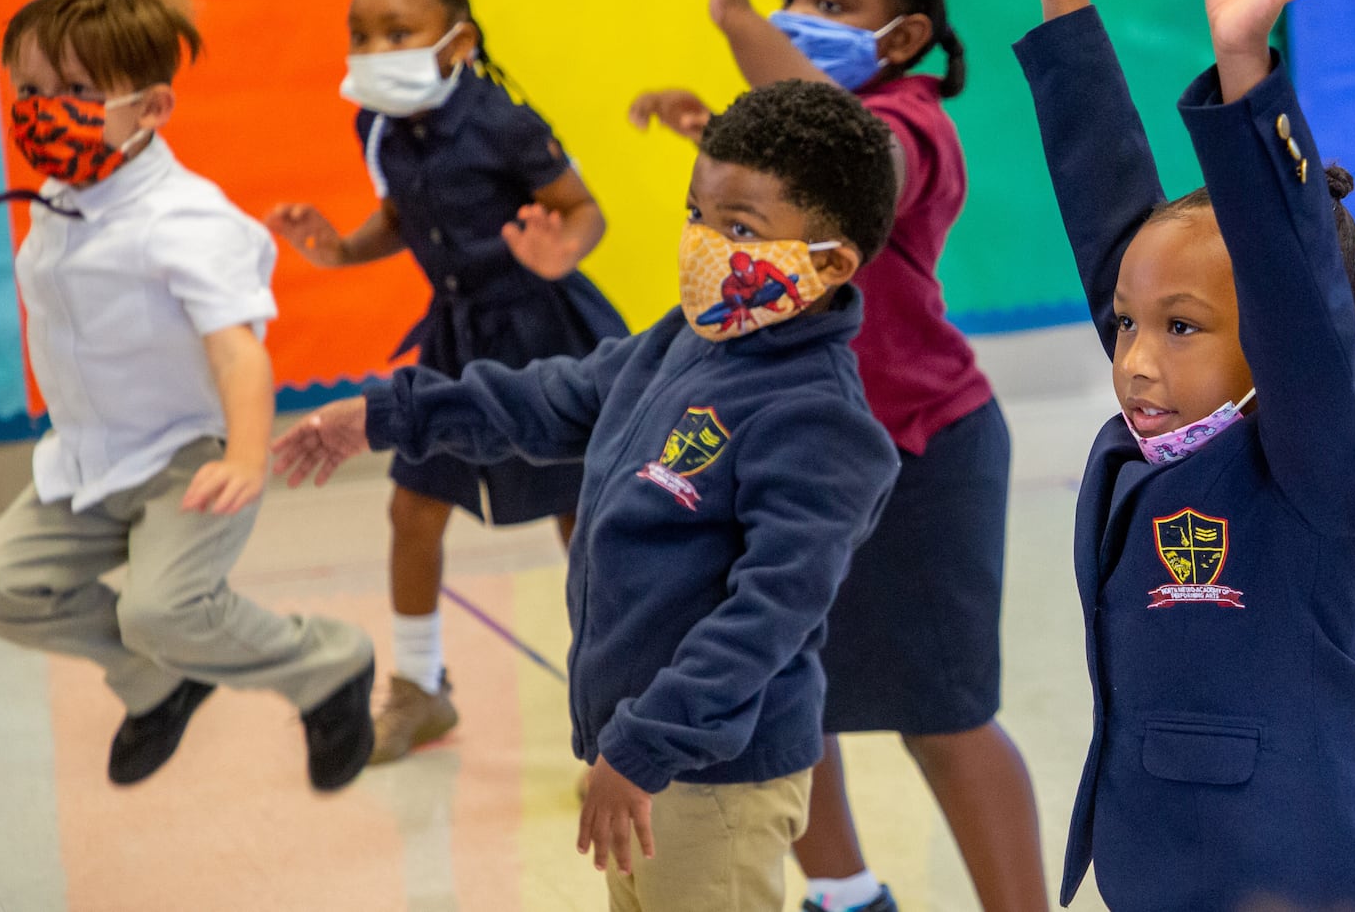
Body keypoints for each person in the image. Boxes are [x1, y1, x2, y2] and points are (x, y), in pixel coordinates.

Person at [272, 79, 902, 912]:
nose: (704, 244)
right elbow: (545, 398)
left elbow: (764, 621)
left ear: (828, 264)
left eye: (739, 228)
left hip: (711, 775)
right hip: (640, 760)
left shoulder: (818, 417)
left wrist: (643, 747)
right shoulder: (687, 339)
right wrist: (391, 413)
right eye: (697, 213)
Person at [1013, 0, 1355, 910]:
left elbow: (1291, 297)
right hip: (1162, 857)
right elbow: (1111, 216)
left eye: (1177, 329)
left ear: (1283, 345)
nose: (1132, 360)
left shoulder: (1320, 459)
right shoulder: (1176, 417)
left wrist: (1247, 67)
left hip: (1292, 867)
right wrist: (1066, 3)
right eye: (1127, 326)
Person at [630, 0, 1045, 912]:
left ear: (901, 36)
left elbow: (845, 155)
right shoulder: (800, 141)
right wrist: (715, 142)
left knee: (944, 713)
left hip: (922, 454)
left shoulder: (911, 128)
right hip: (794, 454)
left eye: (829, 1)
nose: (793, 15)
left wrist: (738, 21)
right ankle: (848, 894)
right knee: (784, 693)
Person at [0, 0, 375, 791]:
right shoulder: (57, 197)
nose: (44, 109)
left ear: (150, 109)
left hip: (189, 456)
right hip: (87, 460)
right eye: (30, 90)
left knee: (162, 609)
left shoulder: (188, 220)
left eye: (76, 90)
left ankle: (327, 663)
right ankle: (160, 680)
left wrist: (247, 460)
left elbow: (238, 352)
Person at [265, 0, 627, 764]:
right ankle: (421, 689)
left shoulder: (502, 118)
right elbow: (402, 213)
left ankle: (618, 713)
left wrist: (560, 249)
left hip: (545, 335)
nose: (373, 47)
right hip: (454, 340)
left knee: (583, 523)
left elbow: (584, 207)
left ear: (455, 40)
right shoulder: (380, 126)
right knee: (412, 508)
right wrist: (343, 246)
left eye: (398, 31)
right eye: (361, 33)